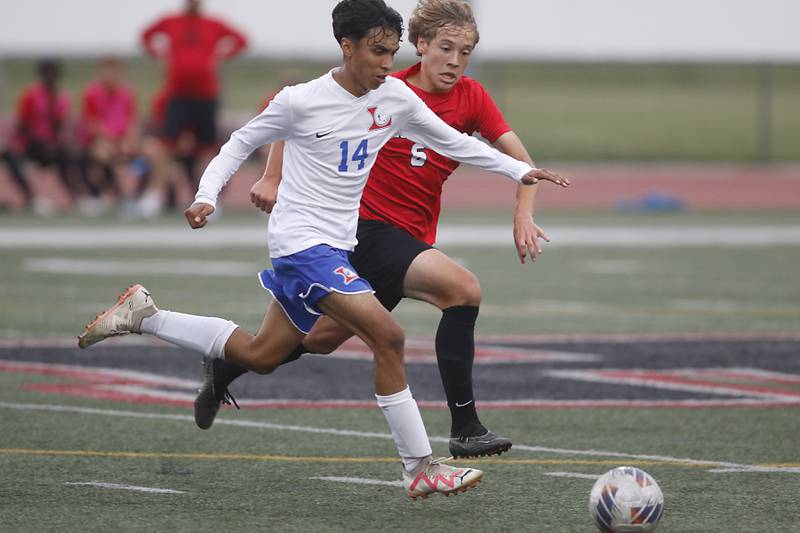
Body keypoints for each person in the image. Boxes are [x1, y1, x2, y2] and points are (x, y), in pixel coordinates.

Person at [78, 0, 568, 499]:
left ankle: (145, 316)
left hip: (340, 245)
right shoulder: (300, 100)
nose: (385, 63)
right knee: (388, 337)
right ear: (346, 46)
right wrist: (206, 196)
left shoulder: (395, 98)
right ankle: (420, 467)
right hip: (301, 246)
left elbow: (455, 143)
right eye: (377, 52)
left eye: (391, 52)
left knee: (264, 354)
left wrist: (520, 172)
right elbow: (239, 143)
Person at [196, 0, 557, 459]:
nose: (455, 60)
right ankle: (463, 428)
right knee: (462, 290)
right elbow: (307, 118)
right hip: (368, 230)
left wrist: (524, 208)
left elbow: (520, 162)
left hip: (411, 238)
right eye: (446, 48)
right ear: (420, 46)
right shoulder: (384, 82)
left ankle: (227, 365)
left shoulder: (471, 97)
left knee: (314, 341)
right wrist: (272, 174)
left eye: (465, 52)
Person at [140, 0, 248, 194]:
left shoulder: (213, 23)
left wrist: (222, 55)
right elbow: (146, 35)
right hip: (177, 94)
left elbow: (241, 40)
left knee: (207, 147)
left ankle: (207, 195)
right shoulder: (171, 21)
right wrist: (159, 54)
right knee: (167, 145)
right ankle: (154, 195)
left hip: (205, 94)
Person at [10, 59, 76, 212]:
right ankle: (31, 196)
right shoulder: (31, 95)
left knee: (69, 155)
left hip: (53, 144)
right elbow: (22, 124)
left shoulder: (62, 97)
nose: (50, 78)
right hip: (32, 144)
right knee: (39, 148)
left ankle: (74, 195)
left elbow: (61, 125)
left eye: (54, 74)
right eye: (47, 74)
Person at [77, 57, 138, 214]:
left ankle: (143, 197)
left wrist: (129, 141)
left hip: (122, 141)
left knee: (151, 152)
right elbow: (92, 124)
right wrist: (111, 140)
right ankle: (105, 194)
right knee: (104, 153)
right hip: (101, 141)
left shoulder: (127, 93)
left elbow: (132, 121)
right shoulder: (92, 93)